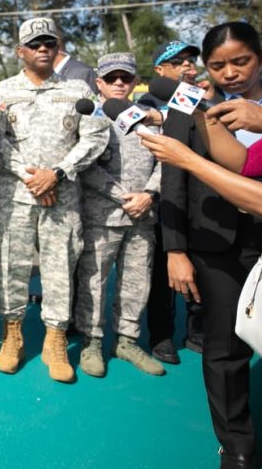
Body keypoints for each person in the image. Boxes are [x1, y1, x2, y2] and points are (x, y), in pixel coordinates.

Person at [158, 21, 262, 469]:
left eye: (241, 61)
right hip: (217, 244)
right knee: (224, 346)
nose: (230, 73)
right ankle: (237, 443)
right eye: (217, 65)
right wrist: (175, 250)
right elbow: (174, 180)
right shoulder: (187, 106)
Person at [0, 17, 109, 383]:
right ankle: (13, 337)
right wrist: (32, 176)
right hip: (17, 195)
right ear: (20, 51)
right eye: (35, 44)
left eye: (49, 42)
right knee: (12, 266)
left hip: (62, 194)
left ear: (58, 47)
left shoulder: (79, 90)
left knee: (59, 269)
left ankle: (55, 341)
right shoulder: (2, 90)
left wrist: (56, 173)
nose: (43, 48)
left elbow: (96, 136)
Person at [74, 53, 164, 377]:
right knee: (94, 282)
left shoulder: (149, 117)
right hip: (103, 216)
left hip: (143, 214)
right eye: (111, 78)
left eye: (124, 78)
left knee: (137, 281)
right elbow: (84, 166)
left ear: (133, 81)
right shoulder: (89, 117)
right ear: (98, 82)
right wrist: (123, 196)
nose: (118, 84)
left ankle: (126, 341)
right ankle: (92, 341)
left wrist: (150, 195)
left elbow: (165, 159)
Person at [136, 39, 206, 365]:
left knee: (204, 270)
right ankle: (162, 335)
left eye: (191, 61)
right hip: (165, 201)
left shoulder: (204, 101)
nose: (188, 67)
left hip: (205, 204)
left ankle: (198, 331)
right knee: (164, 276)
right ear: (160, 71)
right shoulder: (144, 106)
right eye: (178, 62)